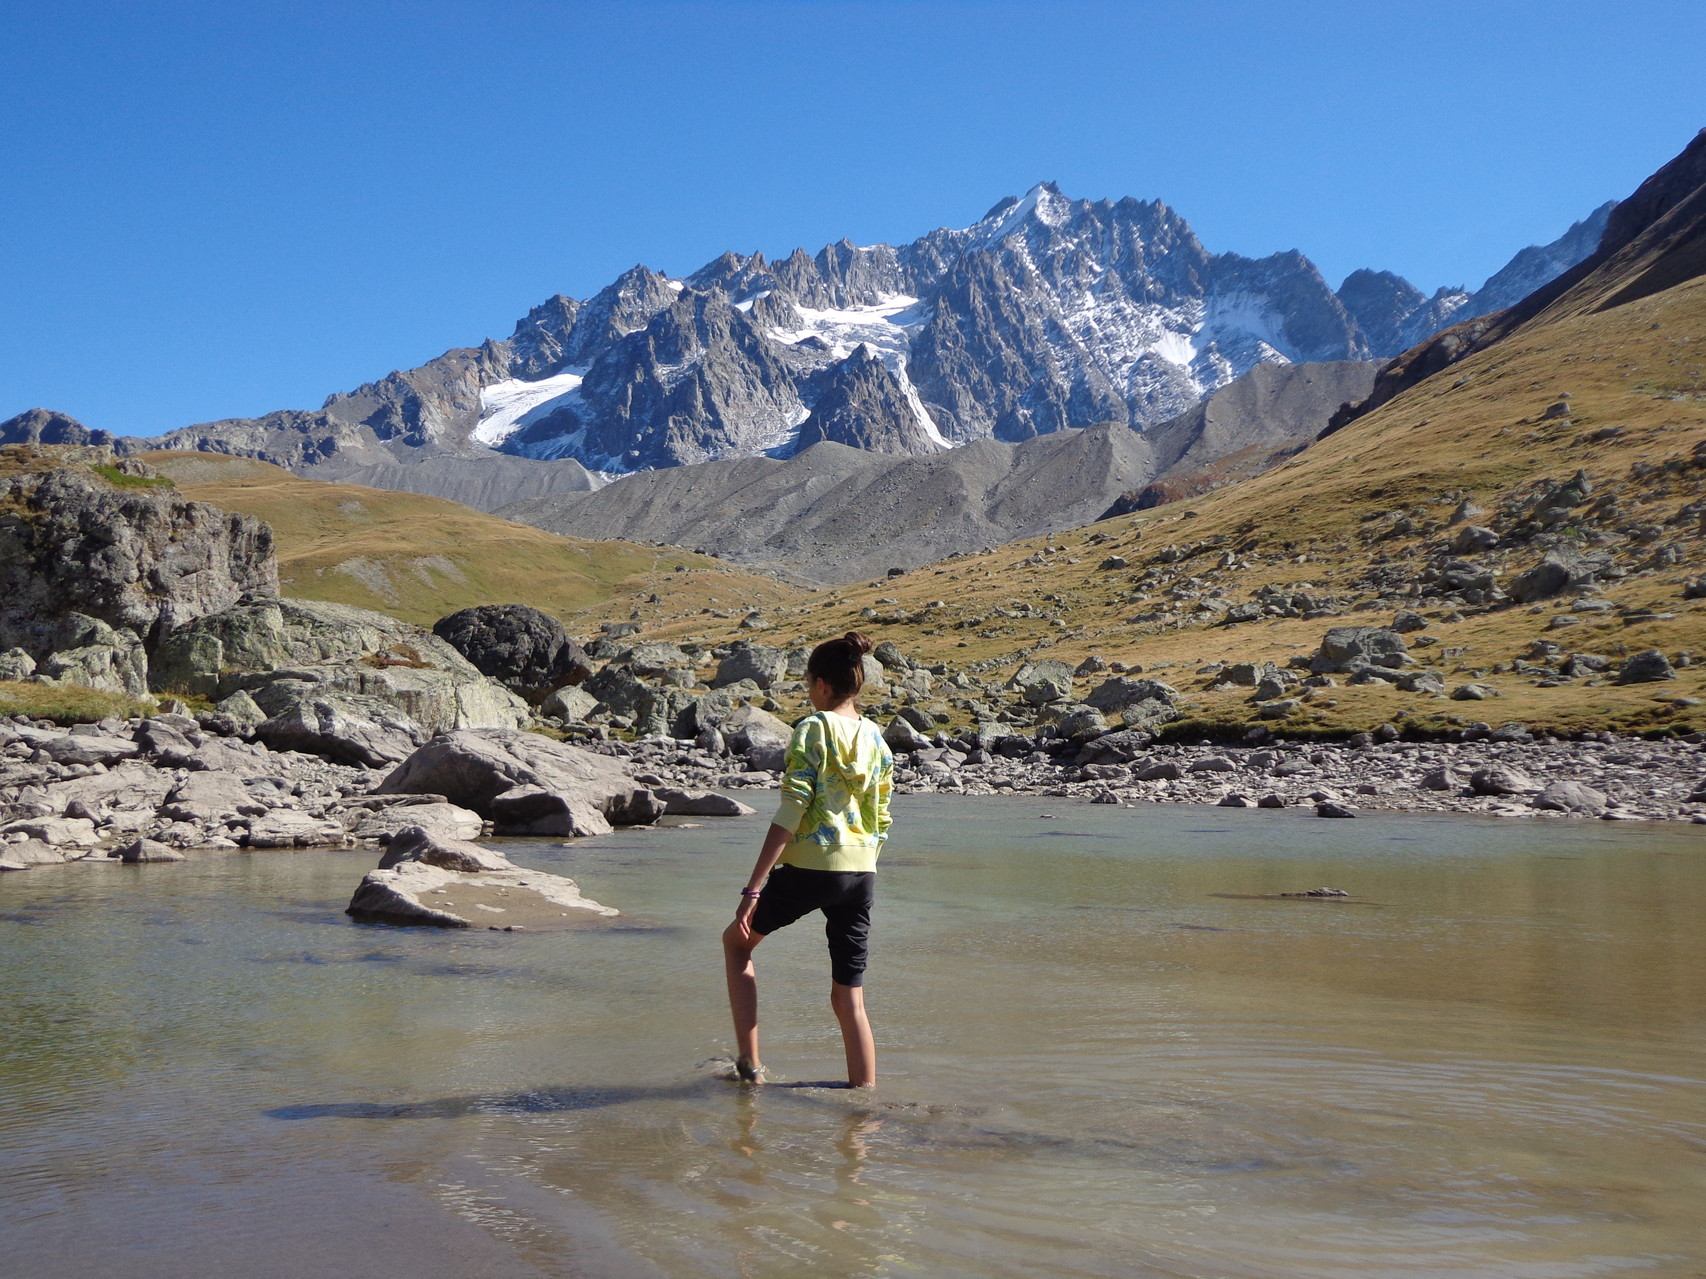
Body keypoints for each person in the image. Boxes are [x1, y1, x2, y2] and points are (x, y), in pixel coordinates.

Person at [722, 632, 894, 1088]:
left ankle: (750, 1068)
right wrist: (864, 860)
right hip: (861, 872)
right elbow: (883, 814)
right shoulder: (877, 737)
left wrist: (754, 887)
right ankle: (864, 1104)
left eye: (806, 683)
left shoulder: (812, 728)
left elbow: (792, 808)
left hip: (812, 867)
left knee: (736, 943)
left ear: (820, 685)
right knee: (849, 998)